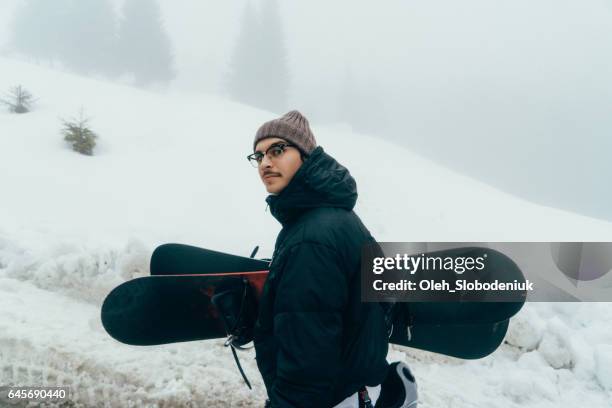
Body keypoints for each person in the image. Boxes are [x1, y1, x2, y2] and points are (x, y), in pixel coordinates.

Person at [248, 110, 402, 407]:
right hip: (352, 392)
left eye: (278, 150)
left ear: (306, 155)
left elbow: (307, 359)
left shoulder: (311, 238)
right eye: (258, 156)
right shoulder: (338, 219)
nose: (266, 162)